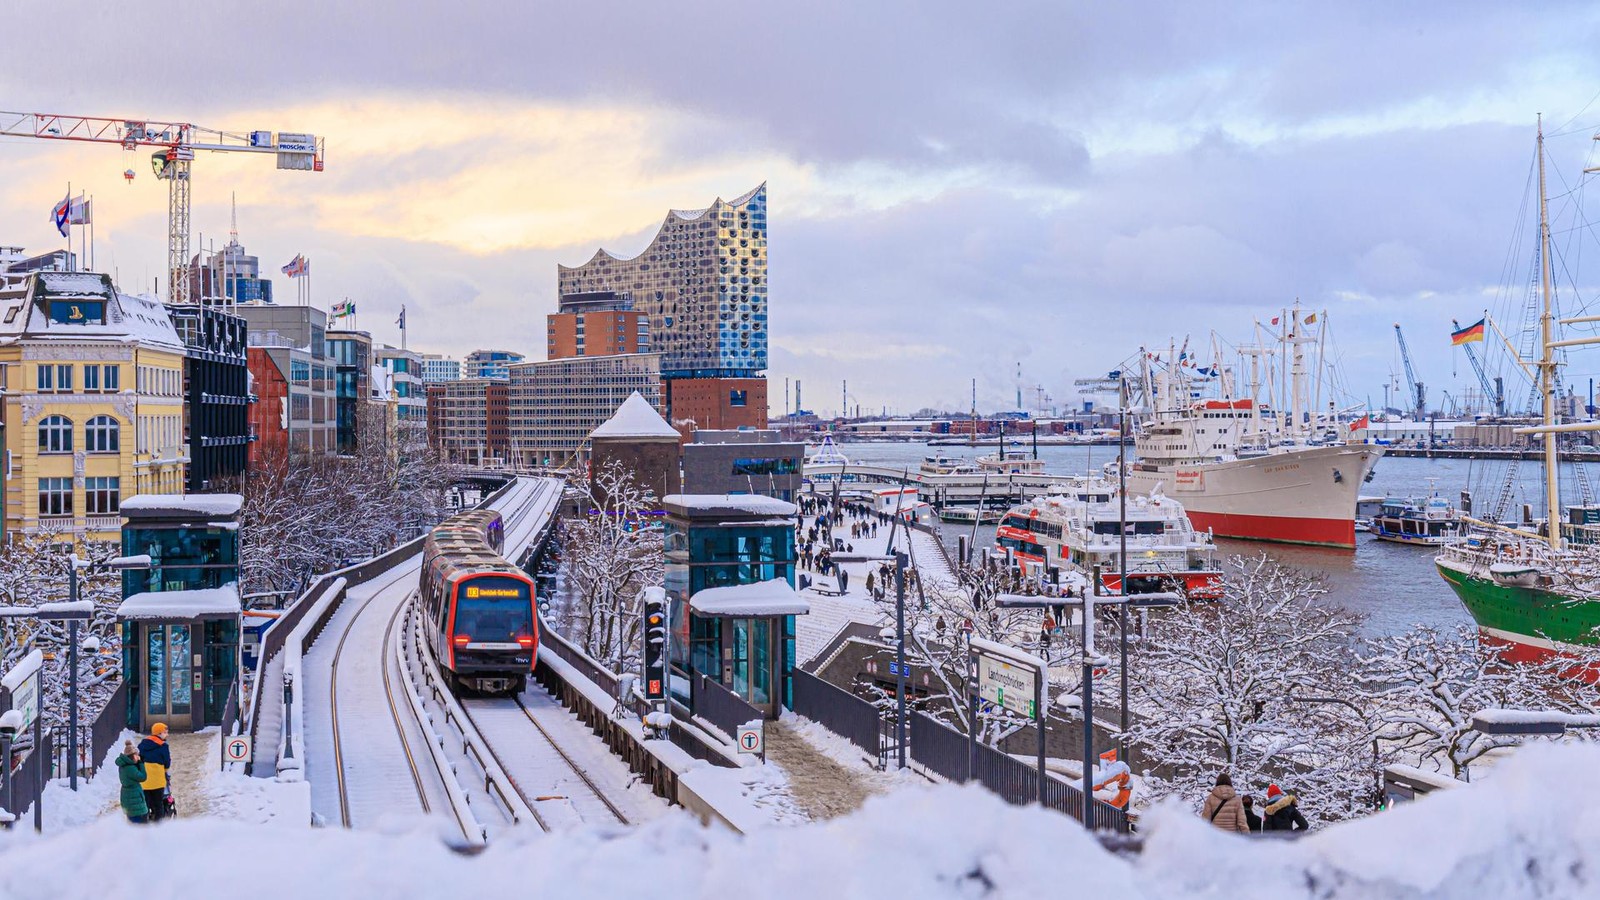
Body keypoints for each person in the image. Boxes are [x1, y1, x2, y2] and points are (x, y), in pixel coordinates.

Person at [138, 722, 172, 822]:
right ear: (159, 733)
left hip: (144, 780)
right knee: (158, 804)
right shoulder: (163, 746)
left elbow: (139, 759)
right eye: (165, 732)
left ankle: (144, 823)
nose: (167, 734)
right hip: (158, 780)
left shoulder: (143, 745)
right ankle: (158, 824)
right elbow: (167, 762)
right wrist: (165, 770)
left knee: (145, 803)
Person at [117, 741, 149, 824]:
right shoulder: (130, 768)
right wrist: (141, 763)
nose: (138, 757)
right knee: (141, 825)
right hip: (134, 798)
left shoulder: (124, 765)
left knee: (132, 821)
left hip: (128, 797)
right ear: (133, 756)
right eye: (137, 755)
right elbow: (143, 777)